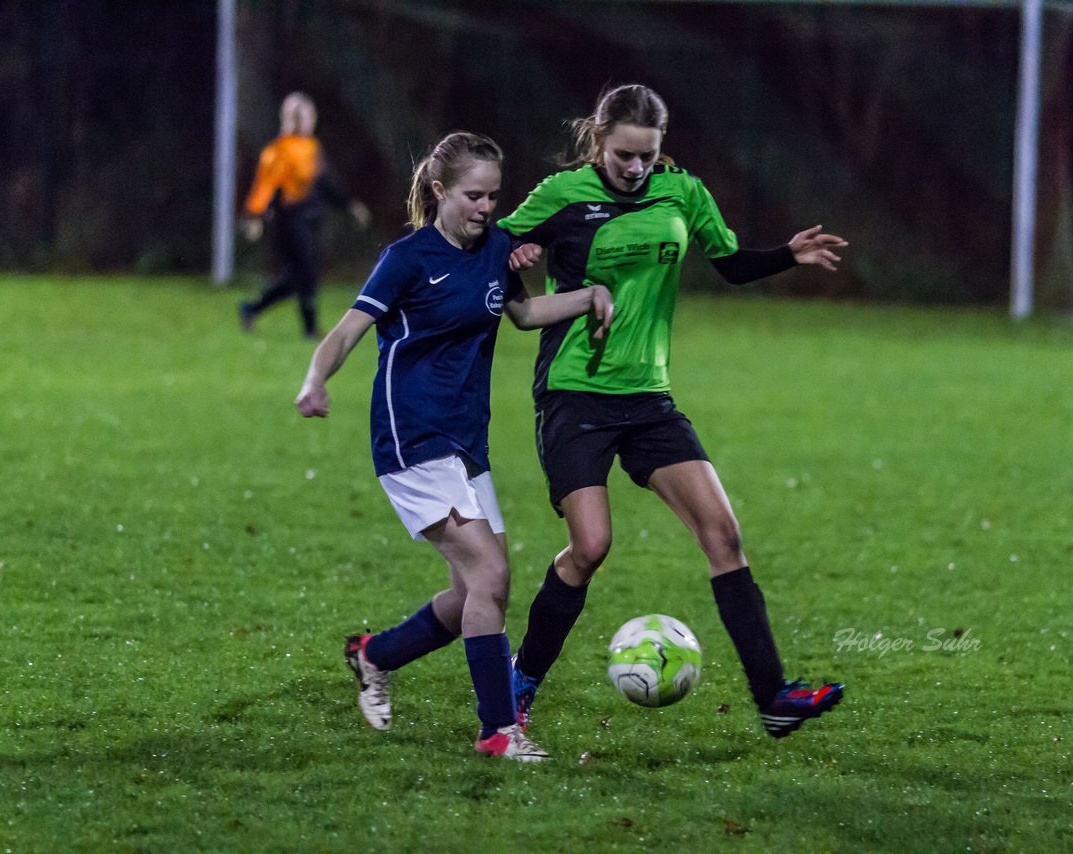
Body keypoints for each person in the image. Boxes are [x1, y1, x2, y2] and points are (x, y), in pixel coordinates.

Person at [498, 84, 848, 740]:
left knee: (724, 535)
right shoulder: (561, 195)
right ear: (599, 141)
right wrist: (515, 257)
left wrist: (787, 255)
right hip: (575, 391)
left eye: (648, 157)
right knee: (590, 546)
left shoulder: (683, 191)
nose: (636, 169)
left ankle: (774, 698)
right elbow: (489, 250)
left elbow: (731, 265)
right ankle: (519, 683)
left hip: (649, 399)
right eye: (625, 155)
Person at [296, 131, 613, 762]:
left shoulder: (497, 250)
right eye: (473, 195)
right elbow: (347, 330)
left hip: (468, 441)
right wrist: (314, 379)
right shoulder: (408, 258)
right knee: (489, 575)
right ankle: (499, 731)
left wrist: (589, 297)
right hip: (411, 438)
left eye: (494, 196)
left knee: (477, 593)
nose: (486, 207)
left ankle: (374, 655)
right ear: (440, 190)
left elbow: (522, 317)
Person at [240, 92, 371, 338]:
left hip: (310, 218)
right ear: (292, 119)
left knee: (296, 277)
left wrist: (348, 205)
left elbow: (322, 183)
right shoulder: (280, 149)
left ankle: (252, 308)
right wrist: (255, 216)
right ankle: (310, 329)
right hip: (287, 219)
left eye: (312, 116)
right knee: (306, 272)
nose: (310, 121)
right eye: (305, 116)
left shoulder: (311, 147)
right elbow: (266, 186)